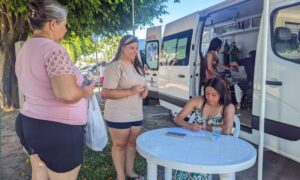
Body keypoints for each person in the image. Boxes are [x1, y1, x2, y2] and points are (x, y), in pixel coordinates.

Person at [15, 0, 94, 179]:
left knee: (39, 172)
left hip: (29, 122)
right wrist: (85, 92)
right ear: (52, 24)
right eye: (64, 25)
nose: (65, 30)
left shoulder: (25, 49)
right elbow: (66, 94)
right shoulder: (54, 50)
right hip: (58, 131)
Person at [102, 35, 147, 180]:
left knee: (132, 144)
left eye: (136, 48)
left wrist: (145, 91)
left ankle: (130, 172)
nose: (135, 51)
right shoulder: (114, 66)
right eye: (131, 48)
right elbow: (106, 93)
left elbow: (143, 86)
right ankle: (120, 176)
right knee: (119, 145)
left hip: (136, 112)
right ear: (122, 48)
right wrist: (130, 91)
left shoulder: (138, 67)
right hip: (118, 113)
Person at [173, 77, 235, 180]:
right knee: (183, 162)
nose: (210, 98)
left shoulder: (228, 107)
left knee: (223, 173)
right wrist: (190, 126)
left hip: (217, 148)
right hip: (197, 145)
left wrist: (205, 127)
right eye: (207, 94)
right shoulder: (198, 101)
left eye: (214, 95)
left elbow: (227, 130)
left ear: (221, 93)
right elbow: (177, 118)